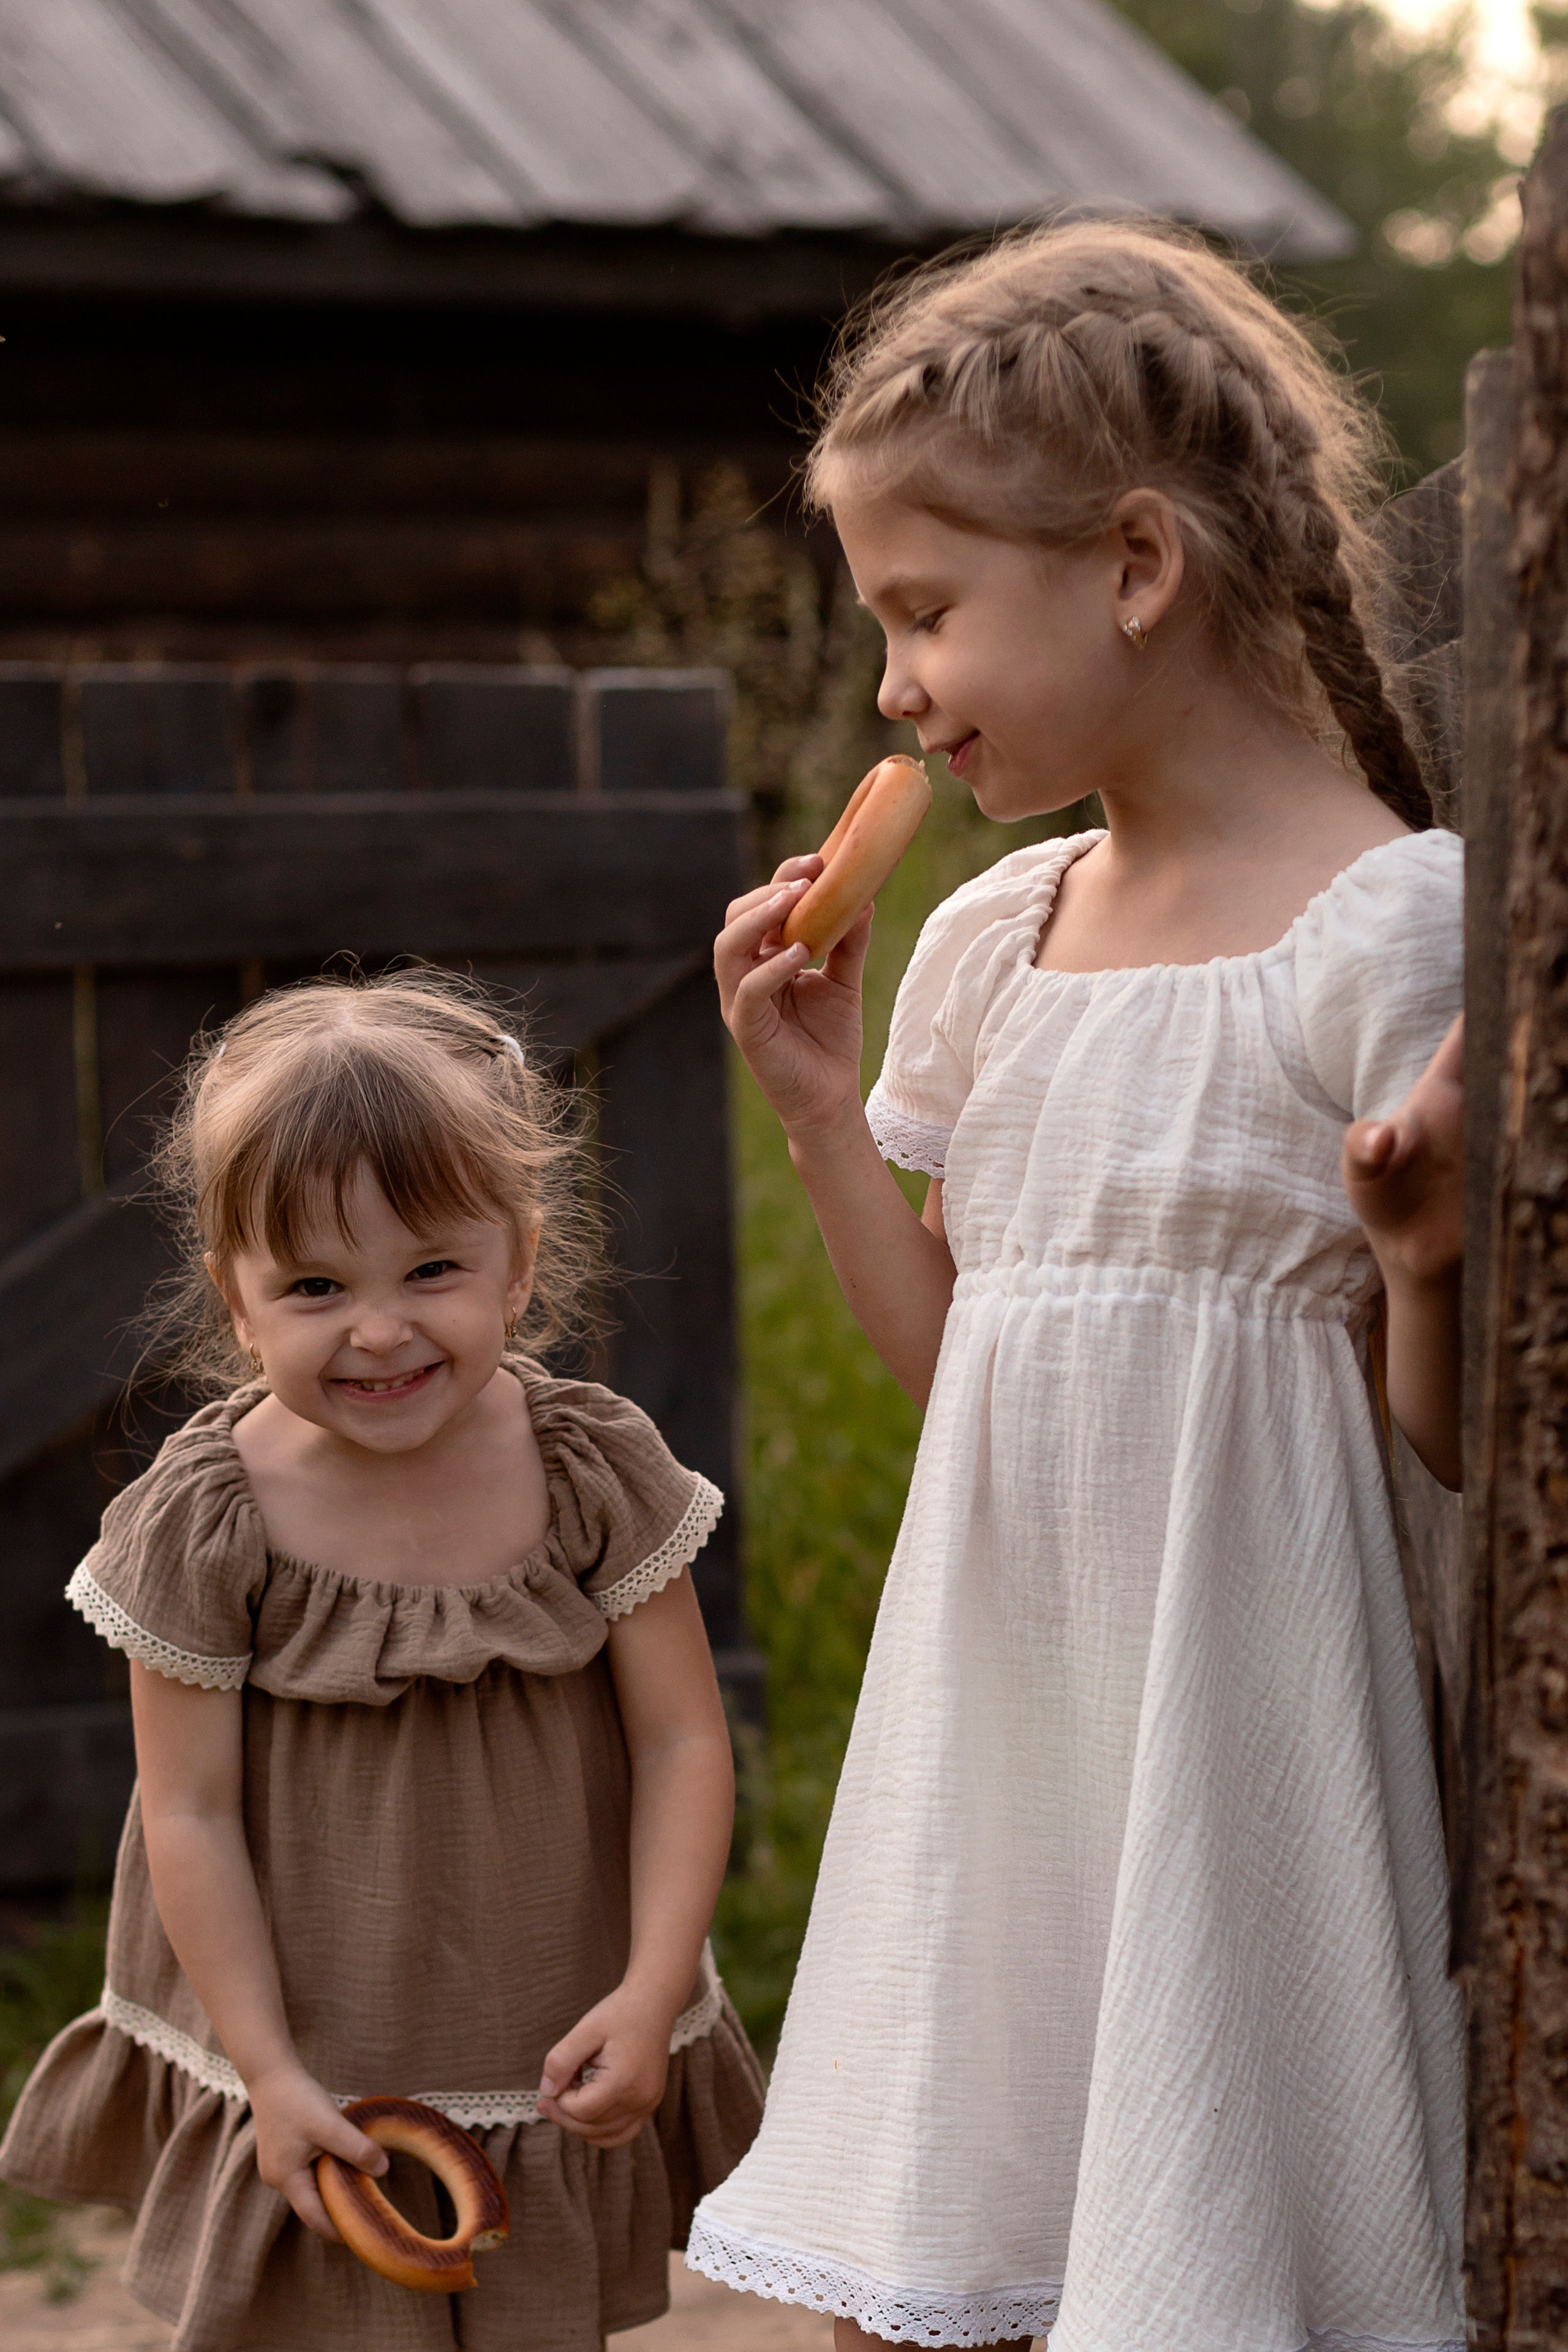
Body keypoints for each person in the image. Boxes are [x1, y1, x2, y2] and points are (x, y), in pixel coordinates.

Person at [692, 220, 1466, 2352]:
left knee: (1194, 2242)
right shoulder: (992, 939)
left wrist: (1417, 1263)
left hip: (1237, 1724)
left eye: (926, 612)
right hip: (1005, 1707)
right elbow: (970, 1367)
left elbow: (1469, 1454)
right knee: (959, 2235)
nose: (891, 687)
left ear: (1135, 565)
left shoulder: (1392, 935)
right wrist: (823, 1116)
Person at [0, 971, 763, 2352]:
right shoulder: (208, 1513)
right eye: (312, 1285)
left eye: (431, 1268)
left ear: (518, 1260)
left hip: (545, 2001)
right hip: (314, 2022)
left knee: (534, 2308)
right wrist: (268, 2068)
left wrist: (651, 1991)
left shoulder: (588, 1467)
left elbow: (679, 1742)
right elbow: (188, 1811)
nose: (378, 1327)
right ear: (235, 1301)